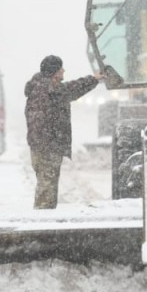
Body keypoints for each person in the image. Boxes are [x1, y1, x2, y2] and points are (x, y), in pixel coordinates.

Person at [24, 55, 104, 209]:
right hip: (46, 147)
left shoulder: (43, 88)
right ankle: (43, 220)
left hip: (42, 147)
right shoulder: (48, 91)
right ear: (54, 72)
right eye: (61, 68)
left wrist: (93, 79)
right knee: (47, 191)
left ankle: (44, 217)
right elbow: (72, 89)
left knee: (46, 187)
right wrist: (93, 79)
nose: (64, 70)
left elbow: (71, 88)